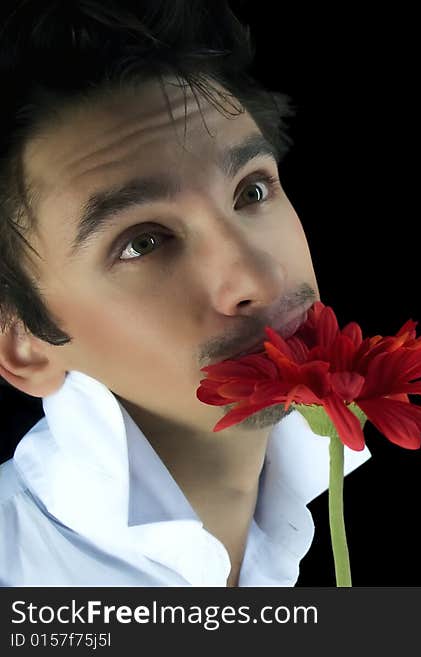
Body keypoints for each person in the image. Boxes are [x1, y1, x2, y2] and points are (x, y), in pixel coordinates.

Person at [0, 0, 370, 586]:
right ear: (25, 347)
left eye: (251, 191)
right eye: (143, 242)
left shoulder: (293, 511)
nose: (261, 280)